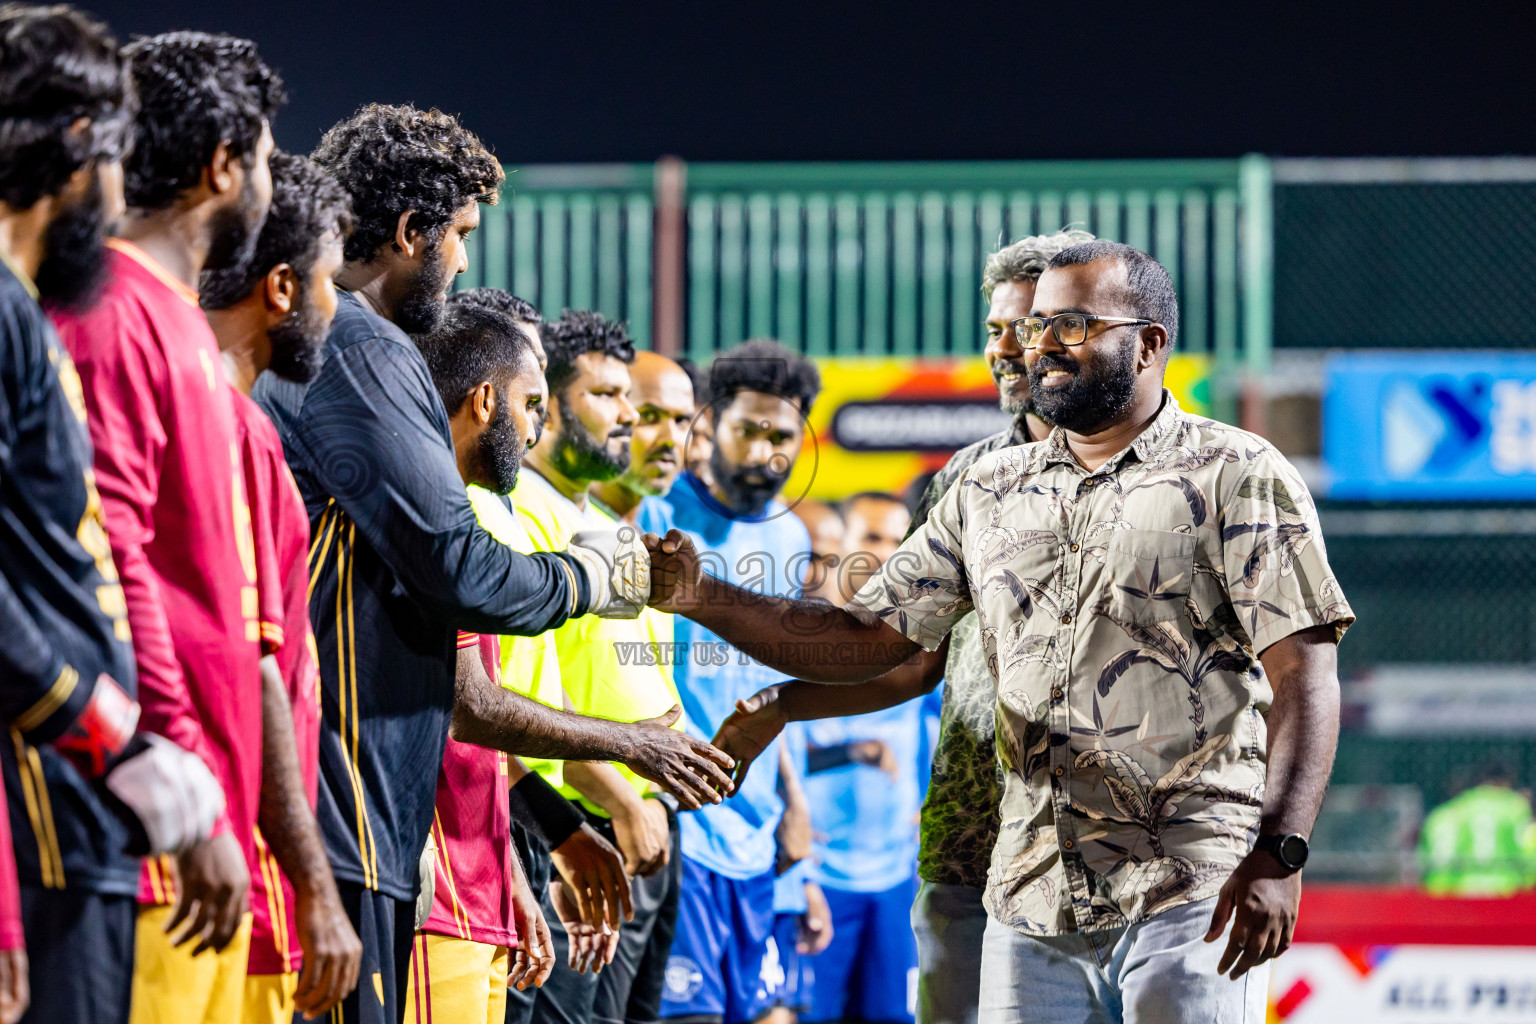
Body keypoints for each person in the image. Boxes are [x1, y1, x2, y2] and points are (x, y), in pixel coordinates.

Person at [657, 242, 1355, 1024]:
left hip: (1187, 881)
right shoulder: (985, 486)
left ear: (1151, 342)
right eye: (1034, 327)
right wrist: (699, 594)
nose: (1038, 344)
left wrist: (1280, 851)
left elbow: (1305, 675)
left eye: (1071, 324)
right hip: (1028, 892)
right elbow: (869, 637)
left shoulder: (1237, 472)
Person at [255, 104, 732, 1024]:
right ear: (409, 233)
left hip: (373, 825)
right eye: (461, 235)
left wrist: (536, 831)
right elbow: (463, 573)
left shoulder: (335, 352)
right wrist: (606, 577)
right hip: (341, 815)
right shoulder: (359, 346)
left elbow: (439, 650)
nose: (466, 261)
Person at [704, 230, 1095, 1024]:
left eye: (1024, 328)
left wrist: (1274, 843)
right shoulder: (960, 482)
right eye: (995, 331)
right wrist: (784, 706)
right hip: (971, 849)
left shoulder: (1190, 469)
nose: (1005, 352)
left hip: (1120, 858)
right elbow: (905, 655)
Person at [50, 30, 288, 1024]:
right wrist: (180, 775)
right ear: (224, 165)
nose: (273, 183)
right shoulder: (108, 314)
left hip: (203, 827)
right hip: (152, 834)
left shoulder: (178, 318)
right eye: (268, 158)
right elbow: (117, 562)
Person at [0, 10, 226, 1023]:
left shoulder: (24, 304)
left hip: (79, 798)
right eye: (121, 149)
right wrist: (109, 733)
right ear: (80, 142)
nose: (127, 182)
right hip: (44, 805)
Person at [200, 150, 364, 1021]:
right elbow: (251, 662)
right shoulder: (234, 429)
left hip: (231, 865)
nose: (340, 309)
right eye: (332, 280)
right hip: (232, 876)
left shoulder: (240, 419)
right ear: (281, 289)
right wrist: (314, 884)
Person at [510, 313, 691, 1024]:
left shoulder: (613, 528)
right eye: (614, 400)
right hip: (571, 821)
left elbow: (629, 677)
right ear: (548, 405)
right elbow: (526, 703)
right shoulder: (518, 514)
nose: (628, 421)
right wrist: (618, 800)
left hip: (641, 817)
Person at [639, 338, 822, 1024]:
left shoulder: (792, 537)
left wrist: (795, 804)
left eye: (782, 436)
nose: (766, 452)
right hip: (680, 821)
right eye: (749, 429)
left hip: (757, 832)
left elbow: (780, 684)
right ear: (712, 423)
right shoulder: (656, 517)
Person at [407, 302, 559, 1021]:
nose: (536, 429)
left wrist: (511, 883)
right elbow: (472, 709)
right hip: (433, 893)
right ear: (486, 400)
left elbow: (479, 751)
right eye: (532, 405)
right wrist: (637, 747)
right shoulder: (424, 521)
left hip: (480, 889)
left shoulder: (465, 510)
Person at [798, 493, 922, 1024]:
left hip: (898, 883)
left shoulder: (924, 638)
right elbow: (765, 751)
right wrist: (851, 751)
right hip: (819, 879)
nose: (888, 553)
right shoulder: (791, 638)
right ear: (836, 547)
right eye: (873, 538)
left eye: (899, 540)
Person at [1420, 765, 1536, 896]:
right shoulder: (1515, 806)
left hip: (1462, 886)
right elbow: (1527, 852)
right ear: (1506, 782)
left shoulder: (1457, 809)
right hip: (1506, 886)